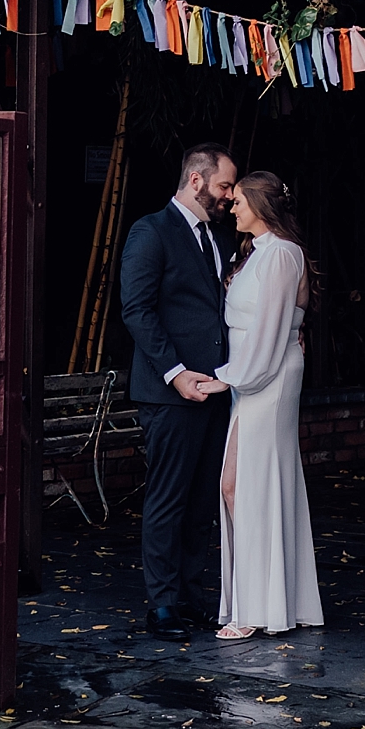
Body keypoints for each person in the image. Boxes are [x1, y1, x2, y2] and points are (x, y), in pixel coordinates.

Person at [115, 142, 238, 642]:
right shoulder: (151, 231)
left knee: (202, 498)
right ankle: (162, 602)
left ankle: (189, 595)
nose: (230, 196)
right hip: (169, 393)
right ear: (196, 180)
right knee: (168, 498)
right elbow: (137, 311)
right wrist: (176, 372)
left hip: (215, 388)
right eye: (225, 185)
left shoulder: (217, 238)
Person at [211, 171, 322, 639]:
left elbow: (273, 328)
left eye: (238, 201)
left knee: (247, 486)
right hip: (252, 375)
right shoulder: (256, 254)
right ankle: (267, 600)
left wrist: (229, 378)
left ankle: (258, 607)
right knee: (243, 485)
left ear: (260, 204)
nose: (231, 208)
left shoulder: (282, 254)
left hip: (268, 377)